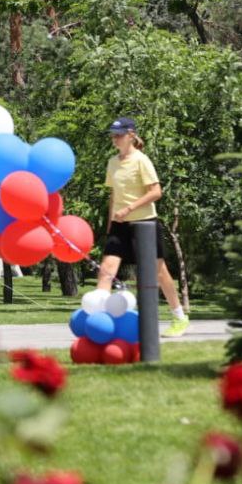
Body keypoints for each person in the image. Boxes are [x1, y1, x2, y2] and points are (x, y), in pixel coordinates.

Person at [96, 117, 190, 336]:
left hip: (145, 224)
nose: (115, 138)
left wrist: (128, 209)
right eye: (113, 135)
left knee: (159, 273)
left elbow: (156, 192)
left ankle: (179, 317)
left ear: (131, 135)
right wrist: (111, 223)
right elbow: (113, 195)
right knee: (106, 271)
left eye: (119, 135)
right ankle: (98, 322)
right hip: (120, 225)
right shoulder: (112, 162)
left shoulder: (142, 160)